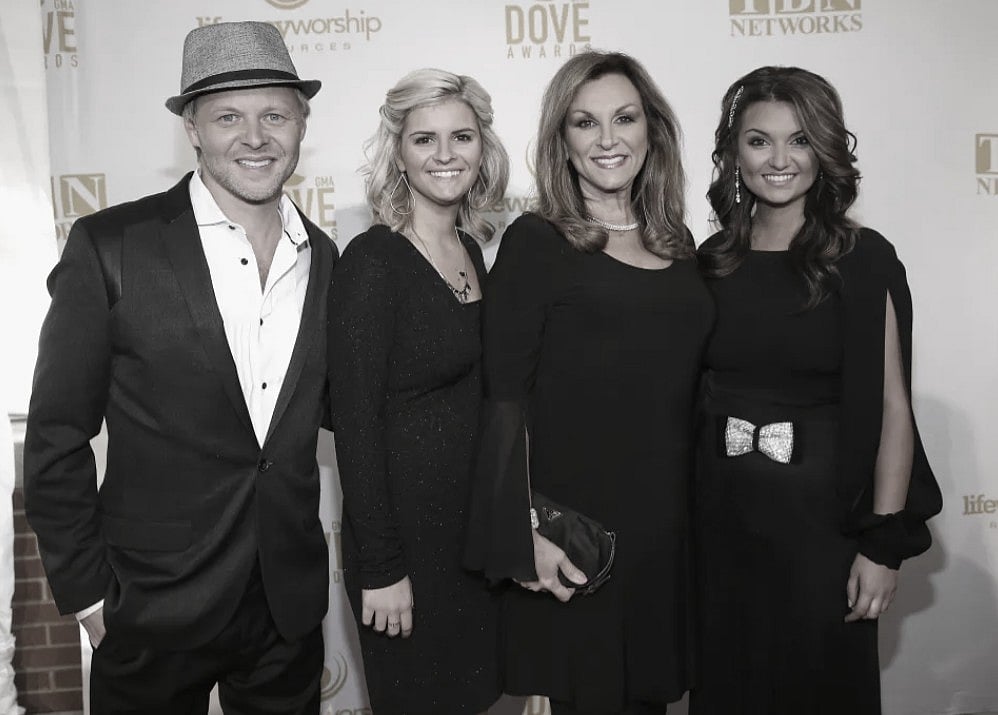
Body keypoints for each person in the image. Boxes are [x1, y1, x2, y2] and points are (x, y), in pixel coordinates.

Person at [23, 21, 337, 713]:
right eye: (228, 116)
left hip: (284, 610)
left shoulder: (327, 259)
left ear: (300, 124)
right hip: (148, 608)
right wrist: (86, 596)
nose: (254, 137)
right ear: (192, 127)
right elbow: (56, 435)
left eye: (274, 115)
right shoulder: (112, 246)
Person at [464, 51, 713, 715]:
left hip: (666, 535)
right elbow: (504, 398)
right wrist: (523, 537)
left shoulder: (679, 242)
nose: (608, 139)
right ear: (562, 142)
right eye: (585, 122)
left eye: (624, 118)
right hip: (576, 544)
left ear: (651, 130)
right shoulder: (538, 242)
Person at [692, 66, 943, 715]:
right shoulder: (710, 260)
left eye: (799, 140)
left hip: (823, 534)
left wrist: (881, 545)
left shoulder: (863, 258)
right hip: (721, 528)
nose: (779, 159)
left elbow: (893, 406)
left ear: (824, 150)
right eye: (759, 140)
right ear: (731, 152)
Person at [327, 68, 509, 714]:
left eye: (461, 136)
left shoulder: (471, 249)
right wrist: (380, 566)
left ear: (482, 147)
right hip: (404, 551)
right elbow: (354, 424)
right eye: (424, 138)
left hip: (471, 544)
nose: (444, 155)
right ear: (398, 152)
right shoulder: (372, 262)